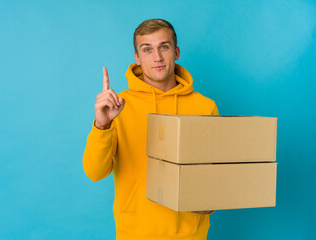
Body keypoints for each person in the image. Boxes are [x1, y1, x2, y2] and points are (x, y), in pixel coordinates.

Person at [83, 19, 219, 240]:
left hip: (191, 234)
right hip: (134, 234)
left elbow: (215, 177)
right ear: (137, 57)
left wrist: (210, 202)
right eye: (147, 49)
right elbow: (95, 172)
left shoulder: (205, 106)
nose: (157, 57)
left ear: (176, 52)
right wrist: (102, 125)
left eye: (164, 47)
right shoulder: (117, 106)